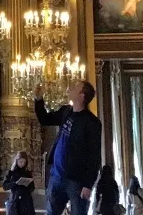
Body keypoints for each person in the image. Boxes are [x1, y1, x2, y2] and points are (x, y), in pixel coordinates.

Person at [35, 81, 103, 215]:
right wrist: (38, 100)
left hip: (77, 181)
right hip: (57, 176)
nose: (70, 87)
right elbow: (45, 119)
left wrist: (88, 184)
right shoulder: (65, 111)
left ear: (82, 96)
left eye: (75, 86)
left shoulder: (92, 123)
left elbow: (94, 155)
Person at [5, 151, 36, 215]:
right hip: (14, 200)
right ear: (16, 161)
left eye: (24, 162)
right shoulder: (11, 172)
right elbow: (5, 186)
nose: (22, 164)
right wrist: (15, 183)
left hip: (26, 202)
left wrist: (27, 184)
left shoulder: (27, 173)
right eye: (21, 162)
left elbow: (32, 188)